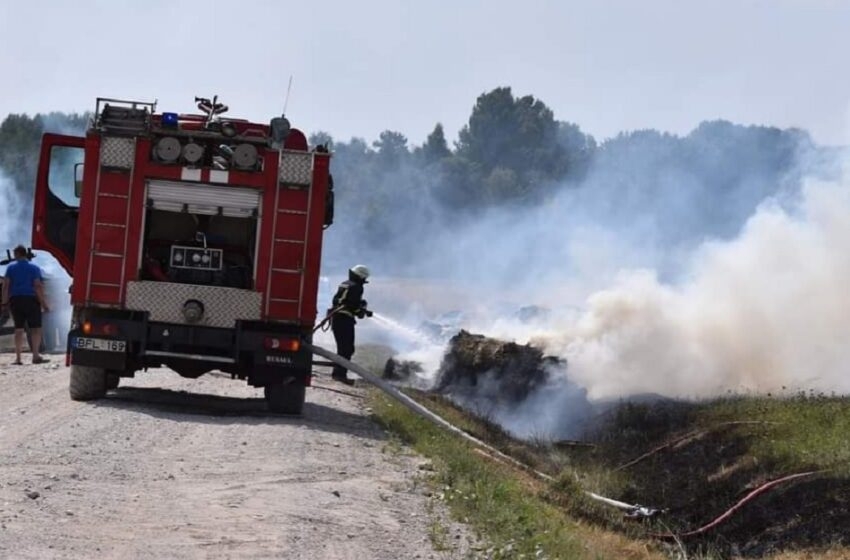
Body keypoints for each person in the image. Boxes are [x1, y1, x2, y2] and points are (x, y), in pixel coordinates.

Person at [1, 246, 50, 365]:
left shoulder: (10, 268)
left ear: (17, 254)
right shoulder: (34, 268)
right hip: (31, 300)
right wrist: (44, 303)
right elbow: (38, 286)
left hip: (16, 300)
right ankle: (35, 356)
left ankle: (18, 358)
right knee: (36, 329)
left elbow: (6, 286)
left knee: (18, 329)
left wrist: (4, 302)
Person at [329, 264, 372, 385]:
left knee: (343, 348)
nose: (364, 281)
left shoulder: (345, 283)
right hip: (344, 320)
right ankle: (339, 375)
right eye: (364, 279)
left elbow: (341, 301)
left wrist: (361, 309)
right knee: (346, 349)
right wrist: (361, 311)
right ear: (361, 276)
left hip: (337, 318)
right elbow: (353, 306)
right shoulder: (357, 287)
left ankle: (338, 373)